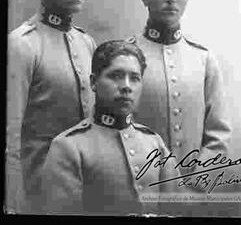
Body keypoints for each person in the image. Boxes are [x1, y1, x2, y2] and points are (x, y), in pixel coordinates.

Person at [6, 0, 96, 213]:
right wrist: (14, 204)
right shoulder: (22, 44)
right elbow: (10, 140)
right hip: (38, 193)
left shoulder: (86, 43)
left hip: (85, 191)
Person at [41, 40, 181, 216]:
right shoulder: (68, 147)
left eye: (135, 78)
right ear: (93, 82)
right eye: (116, 76)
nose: (126, 86)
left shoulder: (154, 143)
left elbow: (177, 209)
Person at [127, 0, 231, 184]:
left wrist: (195, 185)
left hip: (192, 195)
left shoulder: (203, 59)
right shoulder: (124, 56)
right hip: (140, 189)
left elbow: (218, 134)